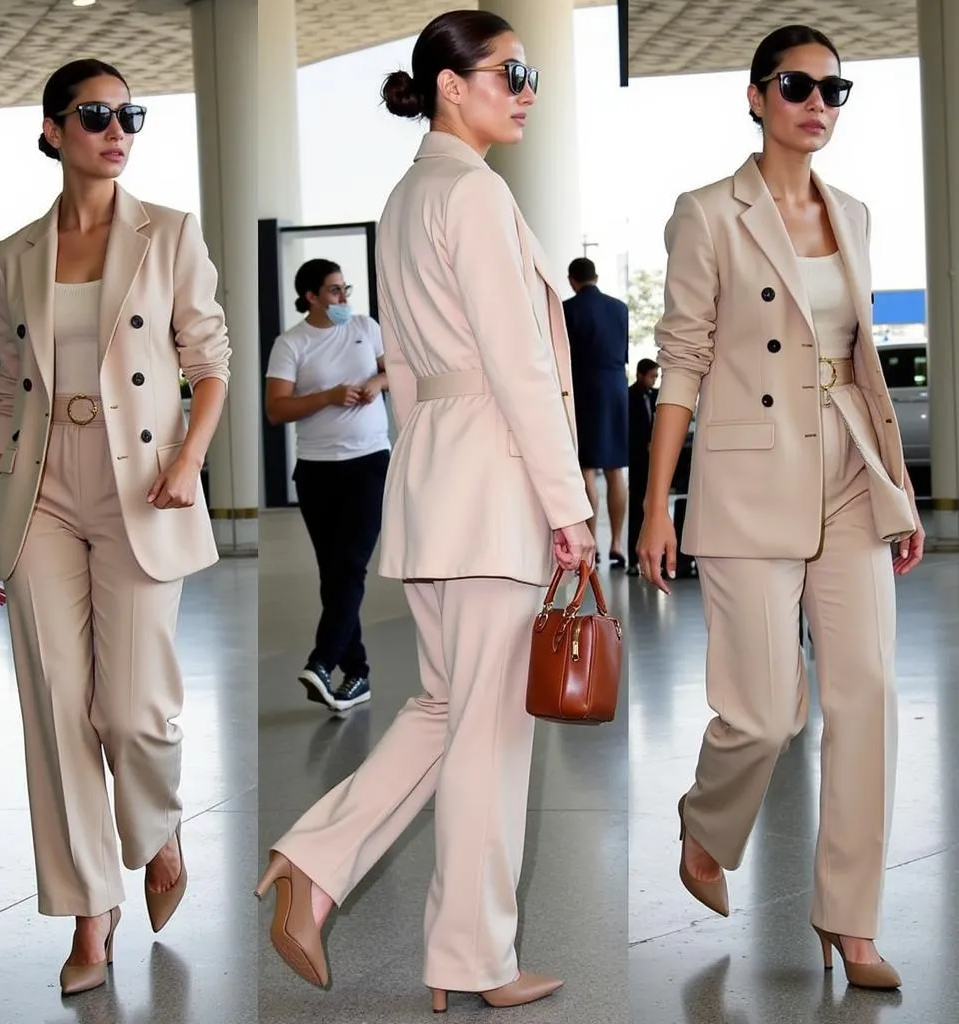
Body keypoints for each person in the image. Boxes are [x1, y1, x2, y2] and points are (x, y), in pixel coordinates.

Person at [254, 9, 595, 1013]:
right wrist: (567, 505)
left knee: (448, 709)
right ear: (452, 84)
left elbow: (405, 371)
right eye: (510, 72)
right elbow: (521, 365)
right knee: (489, 733)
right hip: (494, 480)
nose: (527, 88)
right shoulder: (474, 196)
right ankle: (472, 958)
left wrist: (425, 477)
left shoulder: (407, 196)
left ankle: (312, 866)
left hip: (441, 477)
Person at [637, 25, 924, 991]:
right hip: (746, 479)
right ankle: (707, 823)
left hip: (847, 474)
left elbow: (861, 368)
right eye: (797, 86)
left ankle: (851, 920)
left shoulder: (855, 212)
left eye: (834, 91)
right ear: (756, 97)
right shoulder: (707, 212)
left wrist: (899, 487)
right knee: (763, 717)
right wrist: (655, 505)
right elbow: (681, 358)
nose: (818, 104)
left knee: (868, 695)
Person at [0, 59, 230, 996]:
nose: (117, 130)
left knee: (127, 709)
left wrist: (189, 459)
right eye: (95, 115)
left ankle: (154, 828)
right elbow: (6, 392)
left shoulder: (170, 235)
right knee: (55, 707)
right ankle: (91, 911)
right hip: (39, 488)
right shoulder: (14, 254)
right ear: (52, 130)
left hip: (142, 485)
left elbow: (211, 359)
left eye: (131, 116)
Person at [265, 258, 390, 711]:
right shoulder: (290, 344)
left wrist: (377, 381)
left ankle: (323, 662)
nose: (344, 298)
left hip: (370, 463)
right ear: (311, 297)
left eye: (345, 288)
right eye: (334, 291)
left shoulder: (365, 326)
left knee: (350, 565)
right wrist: (329, 397)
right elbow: (276, 409)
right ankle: (356, 674)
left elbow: (393, 369)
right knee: (334, 574)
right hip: (318, 472)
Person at [563, 257, 630, 566]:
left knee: (586, 469)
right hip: (616, 387)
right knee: (616, 469)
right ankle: (617, 542)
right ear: (596, 276)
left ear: (571, 280)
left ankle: (591, 547)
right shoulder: (620, 308)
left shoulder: (568, 309)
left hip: (584, 389)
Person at [626, 359, 658, 576]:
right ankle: (632, 559)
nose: (654, 381)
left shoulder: (656, 396)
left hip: (653, 461)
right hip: (638, 460)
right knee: (637, 509)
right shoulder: (629, 397)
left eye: (656, 377)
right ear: (640, 374)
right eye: (651, 376)